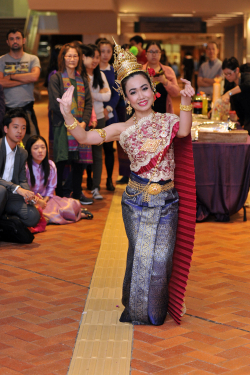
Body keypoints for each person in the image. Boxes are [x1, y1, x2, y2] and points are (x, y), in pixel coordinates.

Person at [56, 42, 196, 326]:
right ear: (126, 97)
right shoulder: (122, 129)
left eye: (144, 88)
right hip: (136, 201)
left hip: (168, 200)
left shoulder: (169, 121)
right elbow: (85, 139)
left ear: (153, 89)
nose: (141, 96)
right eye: (133, 92)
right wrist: (68, 114)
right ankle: (138, 312)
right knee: (144, 255)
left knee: (161, 259)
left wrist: (187, 100)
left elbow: (184, 130)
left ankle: (154, 311)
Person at [48, 42, 93, 205]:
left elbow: (88, 103)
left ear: (79, 58)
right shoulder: (56, 78)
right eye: (69, 56)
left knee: (78, 162)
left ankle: (77, 193)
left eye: (75, 55)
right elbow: (54, 103)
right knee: (62, 161)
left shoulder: (82, 78)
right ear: (63, 58)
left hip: (80, 127)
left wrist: (84, 122)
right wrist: (70, 121)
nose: (72, 59)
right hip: (62, 127)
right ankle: (60, 195)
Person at [25, 135, 93, 223]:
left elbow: (51, 187)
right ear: (29, 151)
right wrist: (37, 202)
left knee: (71, 204)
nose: (40, 151)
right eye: (36, 148)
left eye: (43, 147)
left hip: (47, 200)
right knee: (49, 215)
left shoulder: (50, 165)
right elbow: (24, 190)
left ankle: (78, 213)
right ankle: (78, 215)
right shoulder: (25, 167)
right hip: (30, 202)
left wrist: (44, 201)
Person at [0, 108, 40, 227]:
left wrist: (28, 194)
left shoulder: (23, 153)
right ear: (6, 128)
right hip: (2, 191)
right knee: (1, 190)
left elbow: (22, 179)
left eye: (23, 128)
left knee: (33, 216)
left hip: (11, 195)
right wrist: (17, 188)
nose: (20, 131)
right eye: (16, 127)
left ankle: (5, 220)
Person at [0, 29, 41, 144]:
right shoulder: (1, 60)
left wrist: (11, 76)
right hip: (7, 110)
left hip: (27, 108)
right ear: (7, 42)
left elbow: (34, 77)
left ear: (23, 40)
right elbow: (1, 83)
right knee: (7, 145)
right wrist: (24, 80)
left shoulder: (33, 59)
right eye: (12, 39)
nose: (15, 41)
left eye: (18, 38)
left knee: (32, 143)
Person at [83, 44, 111, 199]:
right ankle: (83, 184)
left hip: (99, 118)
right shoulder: (80, 76)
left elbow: (107, 96)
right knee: (82, 153)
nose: (95, 60)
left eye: (97, 57)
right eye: (92, 56)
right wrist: (97, 93)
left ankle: (96, 187)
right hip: (84, 119)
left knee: (98, 154)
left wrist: (91, 94)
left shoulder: (100, 75)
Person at [99, 39, 120, 191]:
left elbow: (116, 93)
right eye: (102, 51)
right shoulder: (91, 70)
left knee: (108, 148)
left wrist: (109, 108)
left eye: (108, 51)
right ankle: (93, 181)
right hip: (94, 112)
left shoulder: (114, 70)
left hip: (110, 114)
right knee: (93, 148)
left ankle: (109, 180)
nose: (105, 55)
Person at [143, 41, 180, 114]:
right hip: (144, 114)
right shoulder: (140, 71)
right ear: (146, 54)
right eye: (151, 51)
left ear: (160, 54)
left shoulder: (168, 71)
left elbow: (176, 92)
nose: (154, 54)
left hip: (164, 114)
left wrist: (165, 82)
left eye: (156, 52)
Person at [221, 57, 250, 135]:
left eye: (229, 73)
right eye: (225, 74)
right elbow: (224, 96)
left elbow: (247, 85)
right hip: (242, 119)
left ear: (237, 70)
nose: (227, 77)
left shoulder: (246, 77)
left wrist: (229, 93)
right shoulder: (230, 84)